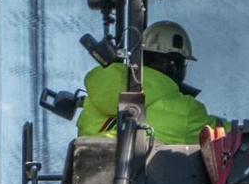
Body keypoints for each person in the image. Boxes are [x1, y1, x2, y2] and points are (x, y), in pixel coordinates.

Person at [76, 21, 224, 145]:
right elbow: (222, 135)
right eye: (183, 63)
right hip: (146, 179)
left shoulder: (94, 100)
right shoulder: (187, 111)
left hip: (89, 177)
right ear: (172, 65)